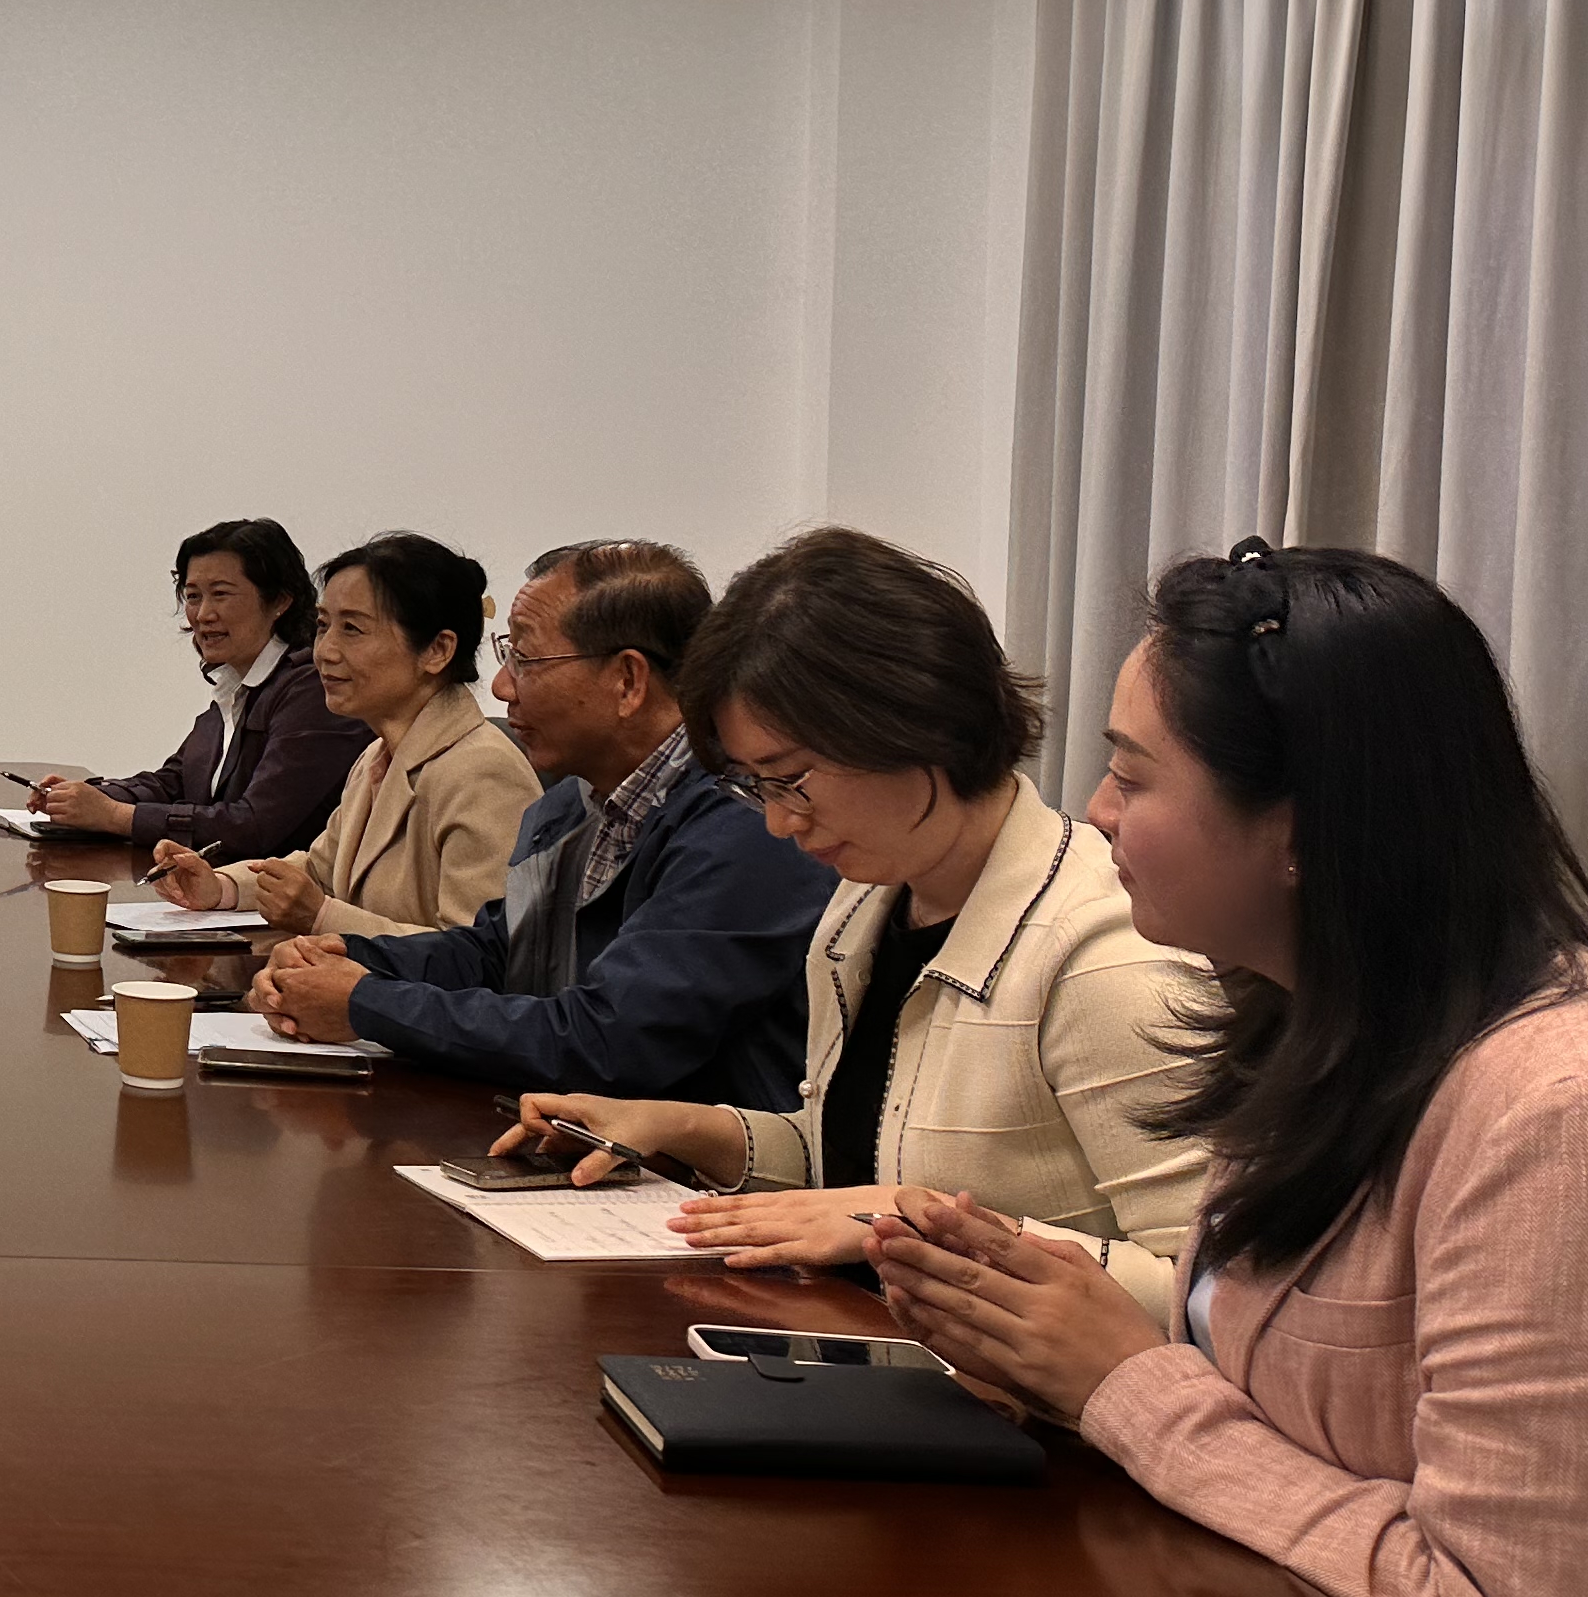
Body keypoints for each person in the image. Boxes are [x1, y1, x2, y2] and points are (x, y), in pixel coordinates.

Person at [824, 541, 1588, 1597]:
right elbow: (1302, 1396)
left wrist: (1131, 1392)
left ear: (1303, 825)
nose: (1094, 815)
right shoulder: (1321, 1025)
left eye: (1135, 774)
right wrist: (1041, 1327)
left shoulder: (1568, 1111)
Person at [493, 527, 1208, 1299]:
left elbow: (1204, 1294)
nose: (778, 822)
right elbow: (854, 1163)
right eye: (755, 785)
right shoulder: (867, 904)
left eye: (790, 779)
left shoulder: (1106, 955)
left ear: (913, 725)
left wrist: (906, 1221)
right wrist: (676, 1127)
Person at [240, 539, 830, 1102]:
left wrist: (366, 1003)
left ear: (627, 681)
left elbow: (610, 1039)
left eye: (524, 659)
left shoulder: (744, 825)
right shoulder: (571, 804)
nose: (501, 686)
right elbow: (498, 953)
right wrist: (341, 956)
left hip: (685, 1163)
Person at [146, 530, 537, 940]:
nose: (325, 651)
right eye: (322, 625)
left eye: (352, 628)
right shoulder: (376, 755)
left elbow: (477, 957)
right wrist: (221, 887)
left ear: (437, 651)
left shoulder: (483, 772)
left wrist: (322, 917)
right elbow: (319, 870)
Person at [26, 518, 368, 857]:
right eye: (193, 596)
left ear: (279, 600)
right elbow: (174, 783)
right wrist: (85, 797)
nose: (203, 614)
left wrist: (114, 815)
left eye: (221, 594)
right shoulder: (236, 686)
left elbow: (252, 826)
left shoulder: (313, 689)